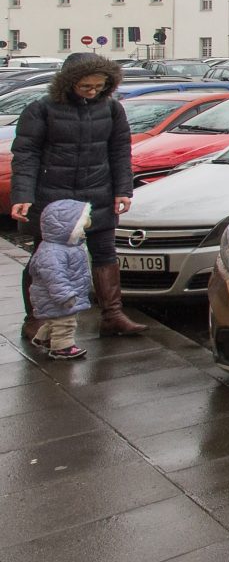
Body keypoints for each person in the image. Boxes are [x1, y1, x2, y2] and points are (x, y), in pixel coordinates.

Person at [10, 52, 146, 339]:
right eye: (86, 86)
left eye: (99, 86)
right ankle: (35, 317)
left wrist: (123, 189)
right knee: (44, 257)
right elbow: (26, 155)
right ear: (69, 82)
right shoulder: (41, 109)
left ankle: (112, 314)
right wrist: (22, 194)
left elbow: (120, 152)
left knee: (105, 253)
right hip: (53, 199)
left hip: (98, 194)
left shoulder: (112, 110)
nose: (93, 91)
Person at [29, 199, 93, 360]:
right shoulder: (53, 252)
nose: (84, 231)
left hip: (56, 297)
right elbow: (55, 277)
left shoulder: (66, 247)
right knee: (65, 322)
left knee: (53, 320)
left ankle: (43, 338)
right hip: (59, 298)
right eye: (81, 227)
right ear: (66, 228)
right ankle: (62, 347)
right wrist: (66, 296)